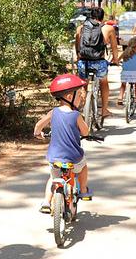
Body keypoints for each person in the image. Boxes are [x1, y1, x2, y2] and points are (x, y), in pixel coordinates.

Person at [33, 73, 92, 213]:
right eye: (79, 96)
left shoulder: (53, 112)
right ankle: (83, 190)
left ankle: (46, 202)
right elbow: (85, 132)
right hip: (74, 157)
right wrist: (85, 133)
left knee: (53, 177)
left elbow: (38, 126)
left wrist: (38, 134)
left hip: (55, 158)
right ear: (70, 97)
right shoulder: (76, 115)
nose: (80, 99)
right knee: (83, 167)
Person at [75, 7, 120, 118]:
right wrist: (115, 59)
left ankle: (82, 108)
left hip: (84, 62)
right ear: (102, 17)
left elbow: (78, 46)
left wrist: (79, 58)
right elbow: (114, 47)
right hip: (99, 62)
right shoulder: (108, 28)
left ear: (91, 16)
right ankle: (104, 110)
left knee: (83, 84)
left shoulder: (81, 28)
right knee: (104, 83)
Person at [117, 37, 136, 105]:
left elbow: (117, 60)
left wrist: (117, 63)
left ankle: (120, 98)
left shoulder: (125, 53)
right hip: (135, 73)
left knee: (123, 85)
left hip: (125, 73)